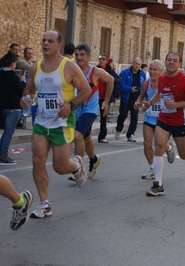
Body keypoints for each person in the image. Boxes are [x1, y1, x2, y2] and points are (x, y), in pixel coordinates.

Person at [20, 30, 91, 218]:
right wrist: (26, 98)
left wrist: (71, 105)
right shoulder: (36, 67)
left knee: (60, 166)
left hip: (62, 121)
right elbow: (30, 89)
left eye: (50, 41)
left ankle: (76, 165)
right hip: (42, 121)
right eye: (43, 40)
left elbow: (86, 90)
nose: (45, 44)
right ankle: (45, 204)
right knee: (37, 160)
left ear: (59, 45)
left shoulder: (69, 67)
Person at [142, 51, 185, 196]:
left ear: (179, 64)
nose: (171, 62)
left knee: (184, 155)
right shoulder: (163, 78)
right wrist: (150, 103)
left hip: (181, 121)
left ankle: (174, 147)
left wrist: (176, 105)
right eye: (169, 60)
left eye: (175, 60)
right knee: (158, 146)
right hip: (164, 118)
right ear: (165, 62)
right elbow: (159, 93)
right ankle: (158, 185)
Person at [68, 44, 114, 180]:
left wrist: (106, 102)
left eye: (82, 55)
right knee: (85, 138)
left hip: (90, 109)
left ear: (89, 56)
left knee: (77, 136)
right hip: (76, 109)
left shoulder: (96, 72)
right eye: (76, 54)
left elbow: (110, 80)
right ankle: (93, 160)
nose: (79, 57)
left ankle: (78, 169)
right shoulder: (72, 70)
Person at [134, 59, 175, 180]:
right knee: (146, 144)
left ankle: (169, 147)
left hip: (161, 119)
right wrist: (137, 103)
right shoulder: (146, 84)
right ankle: (152, 168)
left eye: (155, 70)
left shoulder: (165, 84)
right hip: (149, 117)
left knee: (159, 145)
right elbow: (141, 97)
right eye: (150, 69)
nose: (152, 71)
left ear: (161, 72)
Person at [0, 53, 26, 165]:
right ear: (12, 64)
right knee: (8, 132)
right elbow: (22, 92)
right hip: (13, 108)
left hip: (2, 106)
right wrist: (22, 81)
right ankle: (2, 154)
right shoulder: (13, 77)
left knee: (5, 131)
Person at [115, 57, 146, 142]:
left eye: (139, 64)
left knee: (134, 117)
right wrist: (130, 89)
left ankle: (130, 134)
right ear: (132, 63)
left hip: (136, 99)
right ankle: (118, 129)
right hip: (126, 98)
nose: (137, 66)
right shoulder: (124, 73)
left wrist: (143, 97)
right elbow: (121, 85)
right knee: (123, 115)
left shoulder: (142, 74)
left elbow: (144, 85)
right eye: (136, 63)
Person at [97, 53, 121, 143]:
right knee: (90, 116)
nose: (101, 60)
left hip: (105, 97)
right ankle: (86, 135)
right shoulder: (95, 69)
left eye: (103, 59)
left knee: (104, 117)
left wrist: (110, 80)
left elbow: (118, 79)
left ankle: (102, 136)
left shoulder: (110, 70)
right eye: (100, 59)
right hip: (95, 97)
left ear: (107, 61)